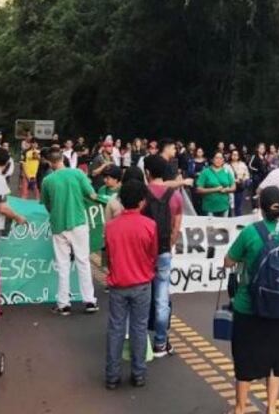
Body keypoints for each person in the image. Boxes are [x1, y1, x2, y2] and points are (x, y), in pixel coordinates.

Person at [224, 187, 279, 414]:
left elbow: (229, 260)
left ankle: (240, 408)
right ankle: (273, 408)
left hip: (249, 306)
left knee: (245, 360)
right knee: (276, 361)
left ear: (261, 207)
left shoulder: (250, 232)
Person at [103, 179, 157, 390]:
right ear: (142, 201)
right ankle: (138, 373)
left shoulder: (110, 226)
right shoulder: (149, 225)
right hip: (142, 283)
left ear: (121, 200)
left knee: (115, 328)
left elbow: (108, 255)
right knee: (139, 328)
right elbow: (152, 255)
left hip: (118, 284)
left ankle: (112, 376)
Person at [41, 149, 99, 315]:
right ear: (63, 159)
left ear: (49, 163)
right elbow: (92, 194)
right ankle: (89, 301)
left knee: (63, 265)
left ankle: (63, 304)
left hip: (59, 225)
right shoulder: (78, 174)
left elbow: (46, 204)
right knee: (83, 262)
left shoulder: (47, 180)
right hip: (79, 222)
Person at [141, 156, 185, 358]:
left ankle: (140, 340)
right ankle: (160, 342)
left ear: (147, 172)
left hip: (143, 253)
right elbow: (176, 227)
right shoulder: (175, 196)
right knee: (161, 299)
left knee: (140, 296)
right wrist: (169, 245)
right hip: (164, 251)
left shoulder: (141, 194)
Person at [196, 151, 235, 217]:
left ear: (223, 160)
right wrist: (215, 189)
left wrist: (226, 190)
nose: (218, 160)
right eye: (216, 158)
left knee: (224, 226)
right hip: (209, 207)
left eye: (221, 158)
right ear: (212, 159)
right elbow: (198, 189)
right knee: (211, 227)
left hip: (224, 206)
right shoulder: (205, 172)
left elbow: (234, 187)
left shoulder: (227, 171)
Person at [227, 149, 251, 216]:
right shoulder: (227, 165)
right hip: (229, 187)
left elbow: (247, 174)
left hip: (239, 187)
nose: (235, 156)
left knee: (238, 207)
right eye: (233, 154)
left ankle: (238, 221)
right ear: (231, 155)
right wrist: (234, 180)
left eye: (236, 155)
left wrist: (242, 179)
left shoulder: (242, 164)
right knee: (229, 206)